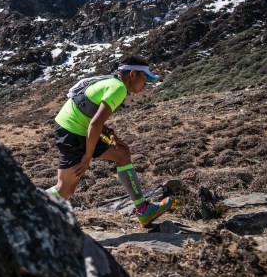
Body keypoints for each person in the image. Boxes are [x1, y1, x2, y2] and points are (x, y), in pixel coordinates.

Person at [46, 55, 172, 227]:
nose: (146, 84)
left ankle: (143, 210)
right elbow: (95, 123)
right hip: (73, 131)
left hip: (77, 127)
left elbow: (90, 113)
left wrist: (109, 133)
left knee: (122, 154)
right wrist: (87, 158)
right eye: (144, 79)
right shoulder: (118, 88)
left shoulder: (113, 82)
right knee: (64, 189)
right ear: (133, 74)